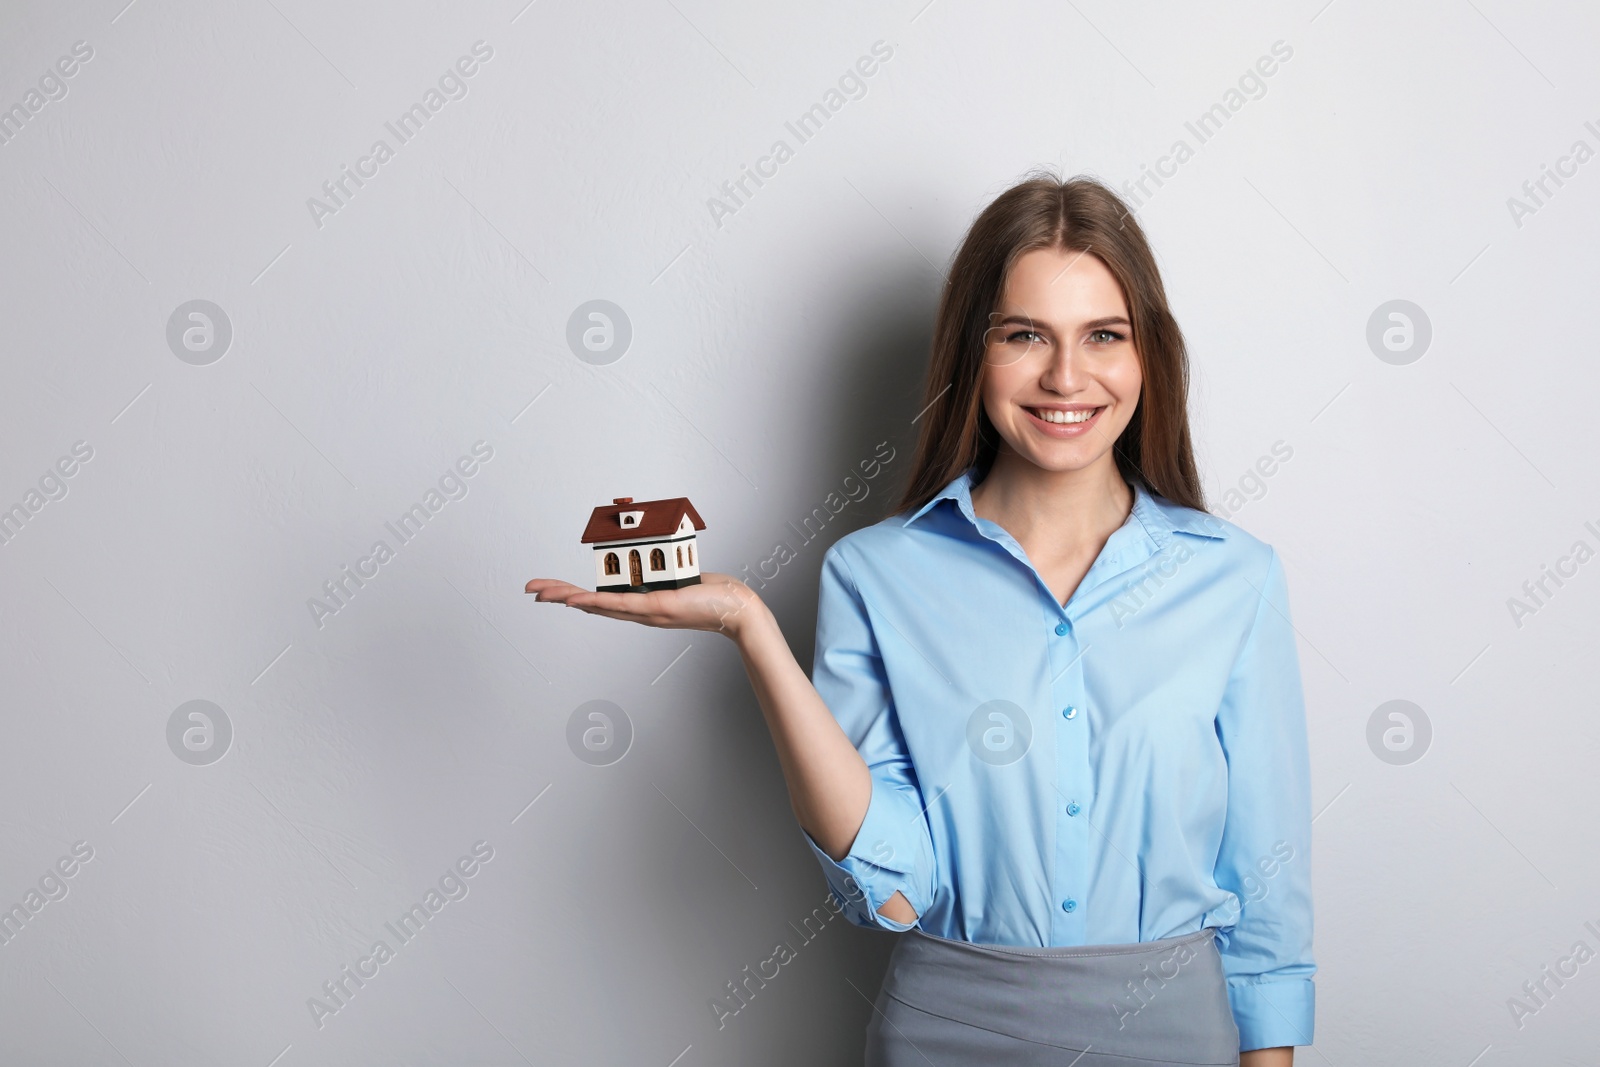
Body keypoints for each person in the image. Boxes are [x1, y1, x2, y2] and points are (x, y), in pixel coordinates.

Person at [527, 174, 1315, 1066]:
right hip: (950, 1032)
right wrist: (748, 624)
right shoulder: (875, 574)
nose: (1066, 376)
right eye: (1025, 335)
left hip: (1177, 1032)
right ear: (973, 353)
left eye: (1104, 335)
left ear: (1147, 358)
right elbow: (896, 888)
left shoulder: (1232, 579)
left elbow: (1268, 879)